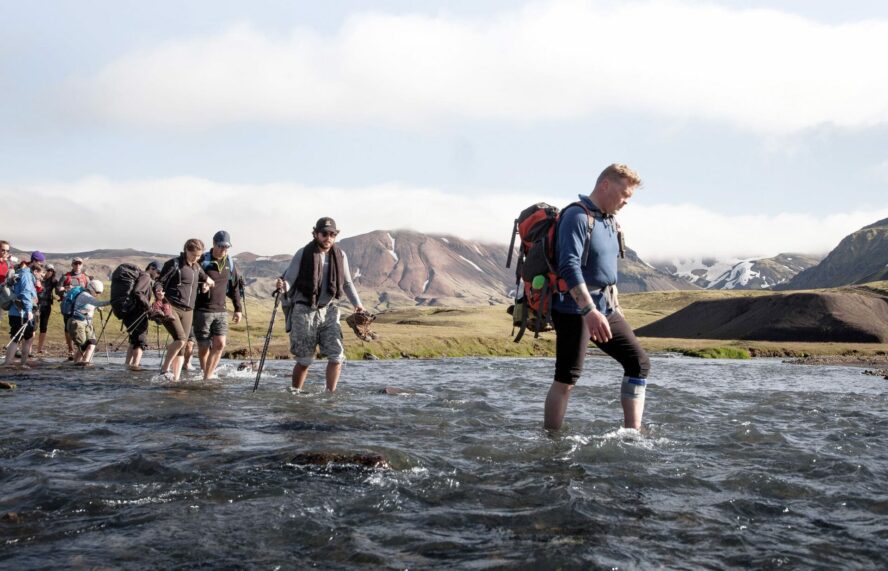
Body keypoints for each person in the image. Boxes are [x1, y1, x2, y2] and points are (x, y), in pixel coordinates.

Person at [544, 163, 651, 431]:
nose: (626, 201)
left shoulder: (611, 221)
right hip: (574, 310)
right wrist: (589, 311)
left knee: (638, 363)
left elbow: (606, 274)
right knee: (567, 378)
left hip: (606, 309)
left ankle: (632, 435)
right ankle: (552, 440)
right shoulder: (577, 217)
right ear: (605, 185)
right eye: (624, 194)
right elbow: (569, 267)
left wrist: (615, 308)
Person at [275, 217, 364, 392]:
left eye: (332, 234)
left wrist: (358, 305)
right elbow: (290, 279)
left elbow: (347, 283)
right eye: (324, 233)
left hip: (329, 311)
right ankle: (295, 394)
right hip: (303, 310)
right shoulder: (303, 253)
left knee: (337, 356)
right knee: (304, 360)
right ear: (316, 234)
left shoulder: (341, 255)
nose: (328, 238)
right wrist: (282, 286)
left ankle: (330, 395)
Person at [156, 239, 214, 381]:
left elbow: (207, 279)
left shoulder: (196, 267)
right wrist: (158, 290)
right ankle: (164, 370)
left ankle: (175, 379)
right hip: (171, 306)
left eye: (199, 256)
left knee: (182, 346)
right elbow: (159, 281)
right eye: (193, 255)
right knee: (181, 339)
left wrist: (208, 284)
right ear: (186, 250)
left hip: (189, 310)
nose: (196, 258)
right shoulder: (174, 264)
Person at [194, 230, 243, 380]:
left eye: (227, 247)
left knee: (220, 344)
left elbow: (234, 287)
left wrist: (238, 309)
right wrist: (201, 286)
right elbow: (191, 281)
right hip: (202, 311)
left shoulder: (230, 263)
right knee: (203, 347)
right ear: (214, 244)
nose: (224, 250)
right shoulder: (202, 260)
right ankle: (205, 373)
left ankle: (207, 376)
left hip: (221, 310)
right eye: (221, 246)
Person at [120, 261, 162, 371]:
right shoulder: (146, 276)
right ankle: (135, 367)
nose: (157, 275)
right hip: (137, 313)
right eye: (158, 272)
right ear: (152, 268)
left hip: (130, 312)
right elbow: (138, 292)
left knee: (133, 340)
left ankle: (127, 366)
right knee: (140, 341)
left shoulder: (142, 276)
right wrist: (149, 308)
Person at [4, 258, 43, 368]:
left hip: (15, 311)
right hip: (21, 313)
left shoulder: (21, 274)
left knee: (18, 337)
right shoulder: (27, 276)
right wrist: (29, 310)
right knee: (25, 338)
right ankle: (17, 363)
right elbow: (26, 293)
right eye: (41, 274)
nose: (41, 277)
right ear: (35, 271)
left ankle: (10, 363)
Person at [66, 279, 111, 366]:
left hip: (87, 324)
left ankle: (85, 363)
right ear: (91, 288)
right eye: (97, 292)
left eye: (99, 293)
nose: (98, 295)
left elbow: (89, 305)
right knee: (84, 346)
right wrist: (113, 301)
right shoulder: (85, 295)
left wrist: (95, 307)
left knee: (92, 343)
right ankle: (79, 364)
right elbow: (99, 303)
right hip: (78, 323)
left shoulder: (89, 296)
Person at [58, 257, 90, 359]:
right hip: (68, 306)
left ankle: (80, 349)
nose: (77, 265)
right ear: (72, 265)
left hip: (81, 306)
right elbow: (58, 289)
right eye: (75, 264)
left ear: (82, 265)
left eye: (79, 263)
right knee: (68, 328)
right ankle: (70, 350)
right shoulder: (66, 277)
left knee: (82, 327)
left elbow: (90, 291)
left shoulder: (86, 278)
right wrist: (67, 288)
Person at [36, 264, 60, 356]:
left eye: (51, 270)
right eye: (48, 270)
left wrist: (61, 295)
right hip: (36, 305)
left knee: (43, 327)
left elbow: (58, 289)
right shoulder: (38, 278)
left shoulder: (53, 281)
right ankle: (29, 349)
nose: (49, 272)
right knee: (33, 326)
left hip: (46, 306)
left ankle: (39, 349)